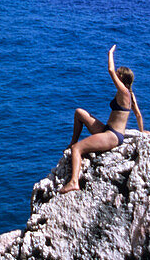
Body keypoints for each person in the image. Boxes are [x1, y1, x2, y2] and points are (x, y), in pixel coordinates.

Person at [60, 45, 145, 193]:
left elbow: (110, 70)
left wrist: (110, 53)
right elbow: (138, 114)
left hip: (112, 136)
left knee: (77, 149)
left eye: (119, 74)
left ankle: (74, 182)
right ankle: (72, 142)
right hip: (107, 129)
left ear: (122, 78)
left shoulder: (124, 93)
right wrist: (142, 132)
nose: (116, 74)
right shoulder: (129, 94)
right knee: (79, 112)